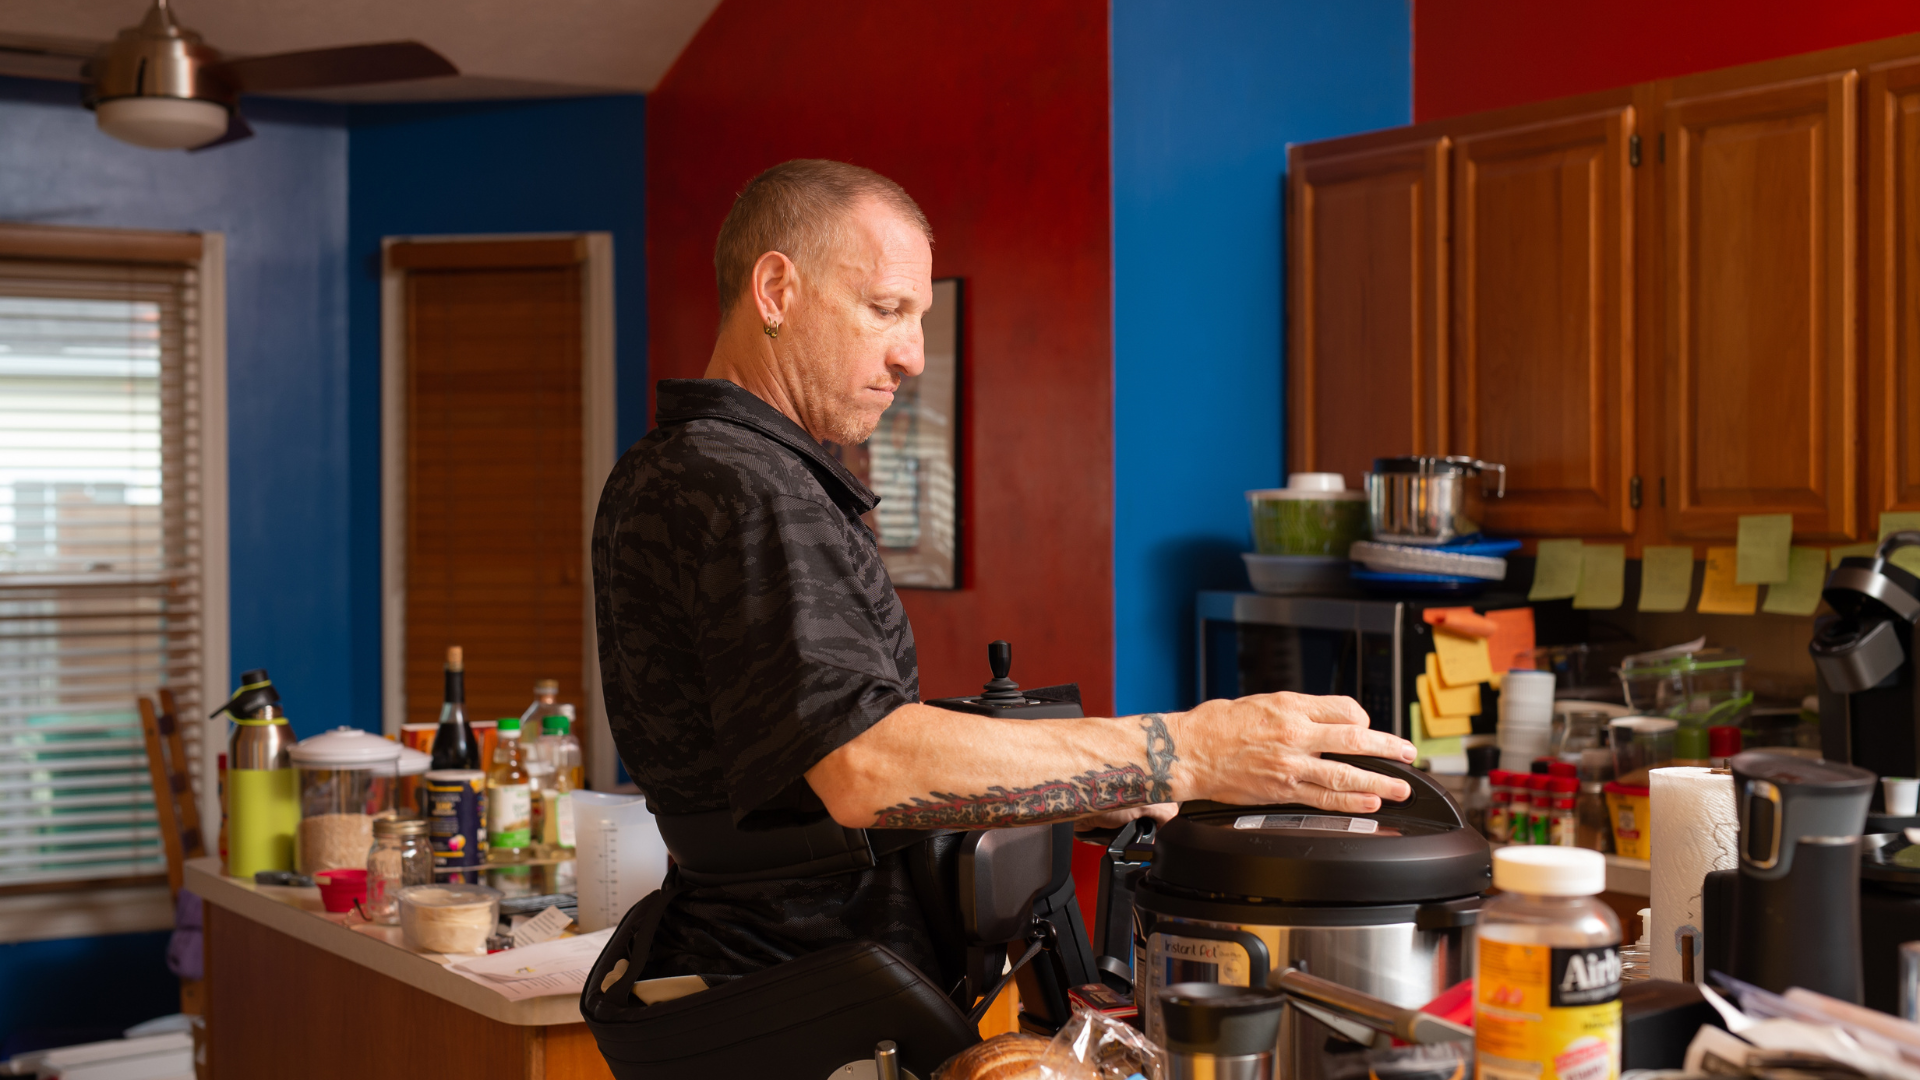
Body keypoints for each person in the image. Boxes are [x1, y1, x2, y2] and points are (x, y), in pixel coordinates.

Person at [590, 158, 1416, 988]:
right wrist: (1188, 751)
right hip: (798, 1001)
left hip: (761, 979)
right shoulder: (748, 484)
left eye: (918, 318)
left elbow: (802, 780)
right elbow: (863, 766)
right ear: (776, 291)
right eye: (885, 310)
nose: (912, 355)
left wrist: (1075, 786)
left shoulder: (674, 466)